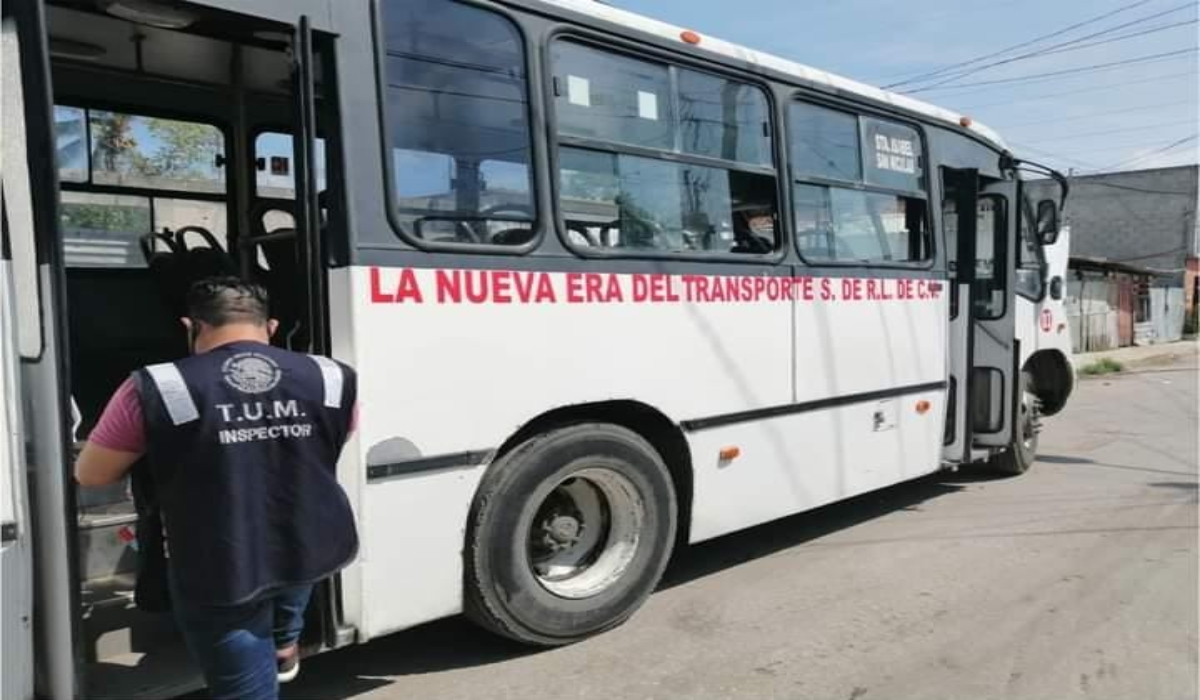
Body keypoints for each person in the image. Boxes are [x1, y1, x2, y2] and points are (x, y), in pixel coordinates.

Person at [75, 277, 359, 700]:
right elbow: (335, 437)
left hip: (221, 562)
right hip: (310, 540)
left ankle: (278, 647)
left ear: (191, 325)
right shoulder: (332, 375)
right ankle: (284, 643)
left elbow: (93, 475)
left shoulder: (157, 385)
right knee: (292, 579)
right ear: (273, 326)